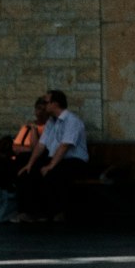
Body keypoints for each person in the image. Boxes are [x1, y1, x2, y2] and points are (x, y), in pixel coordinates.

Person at [14, 90, 89, 223]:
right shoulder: (51, 122)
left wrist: (50, 165)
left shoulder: (72, 121)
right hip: (56, 158)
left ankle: (55, 212)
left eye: (46, 102)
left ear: (55, 103)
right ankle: (28, 212)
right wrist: (30, 163)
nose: (44, 105)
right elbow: (41, 145)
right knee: (25, 165)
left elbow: (65, 146)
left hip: (74, 161)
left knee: (53, 172)